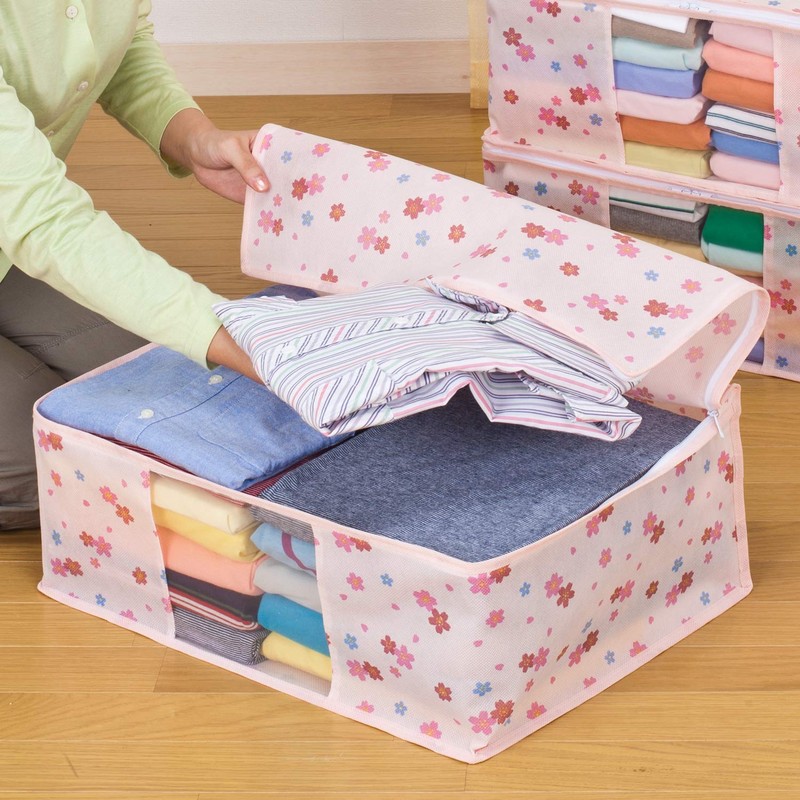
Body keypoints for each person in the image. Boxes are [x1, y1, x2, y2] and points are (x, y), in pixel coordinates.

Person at [0, 2, 267, 529]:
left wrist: (192, 136)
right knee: (61, 463)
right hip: (25, 220)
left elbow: (119, 45)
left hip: (10, 241)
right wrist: (244, 336)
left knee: (174, 399)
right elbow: (46, 220)